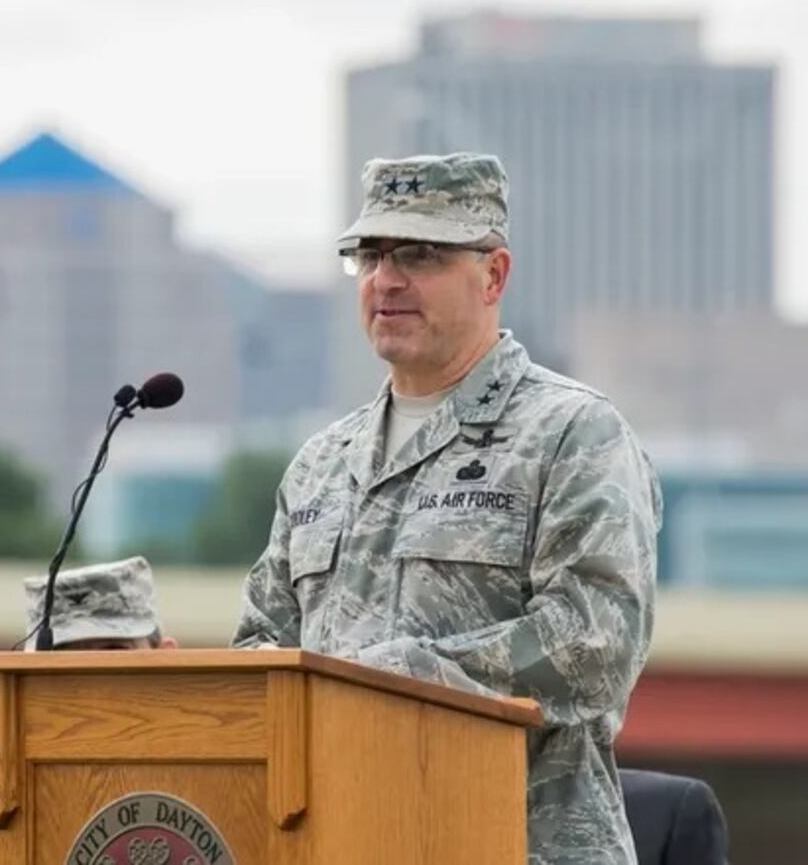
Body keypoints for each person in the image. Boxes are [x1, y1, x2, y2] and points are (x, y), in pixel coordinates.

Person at [232, 152, 661, 865]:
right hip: (339, 842)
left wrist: (403, 679)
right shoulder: (321, 463)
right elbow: (261, 647)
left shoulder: (570, 434)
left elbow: (598, 640)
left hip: (515, 843)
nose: (386, 280)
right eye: (368, 256)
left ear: (494, 275)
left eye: (420, 254)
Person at [0, 557, 177, 865]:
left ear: (166, 658)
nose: (91, 680)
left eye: (114, 652)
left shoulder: (228, 783)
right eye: (62, 662)